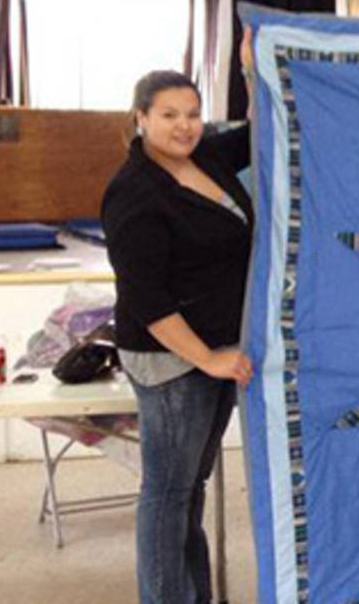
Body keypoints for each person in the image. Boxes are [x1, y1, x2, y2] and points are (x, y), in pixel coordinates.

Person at [102, 66, 255, 603]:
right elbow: (147, 300)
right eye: (169, 115)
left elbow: (262, 128)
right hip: (173, 360)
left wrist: (252, 68)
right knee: (168, 495)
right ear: (141, 118)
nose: (184, 125)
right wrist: (206, 358)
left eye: (193, 114)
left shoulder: (205, 156)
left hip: (217, 350)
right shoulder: (134, 193)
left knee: (189, 490)